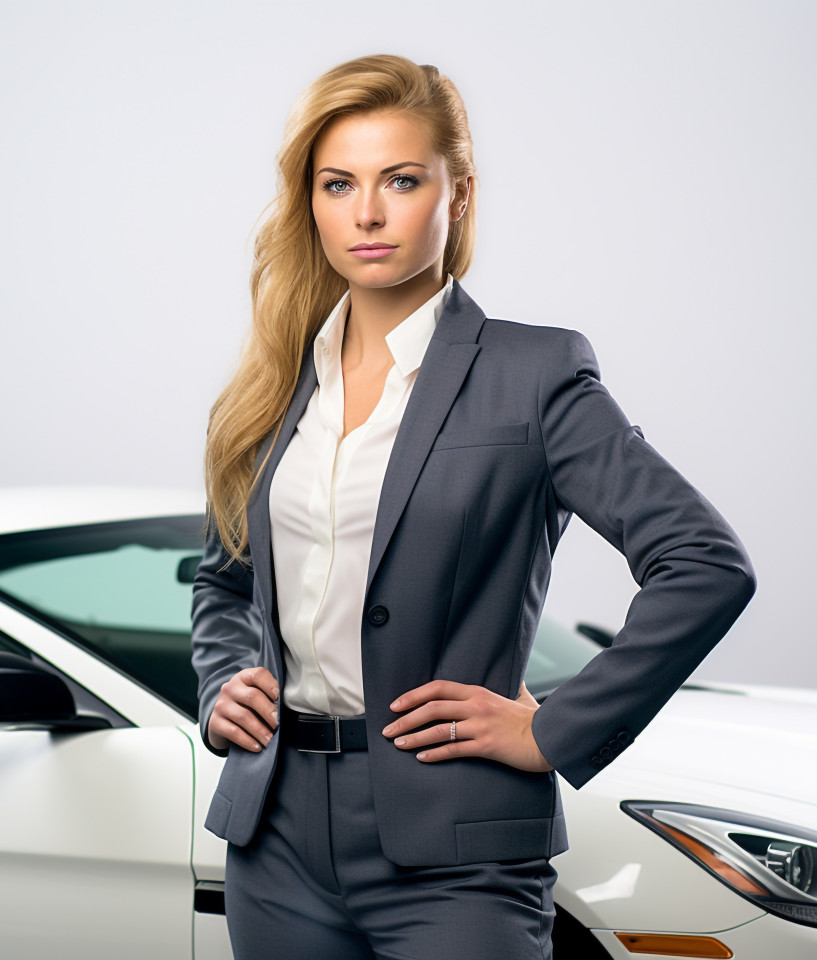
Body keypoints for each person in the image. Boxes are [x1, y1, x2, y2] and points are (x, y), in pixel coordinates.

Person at [190, 53, 756, 960]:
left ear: (457, 195)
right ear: (311, 204)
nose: (367, 212)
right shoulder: (273, 386)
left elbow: (703, 563)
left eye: (401, 180)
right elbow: (222, 582)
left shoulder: (533, 375)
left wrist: (554, 731)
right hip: (275, 837)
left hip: (458, 848)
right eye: (338, 184)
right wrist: (223, 684)